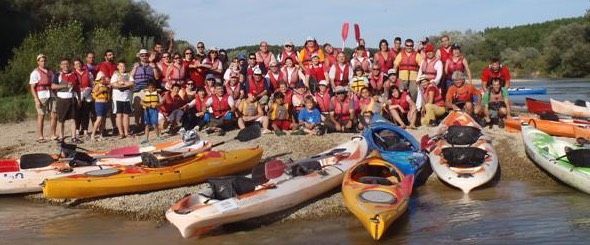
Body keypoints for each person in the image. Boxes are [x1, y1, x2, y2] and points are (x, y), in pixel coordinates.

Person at [29, 54, 57, 142]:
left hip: (51, 94)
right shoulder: (35, 72)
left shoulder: (50, 72)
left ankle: (53, 134)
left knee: (54, 114)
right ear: (38, 62)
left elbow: (53, 84)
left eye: (44, 60)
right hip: (41, 95)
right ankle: (40, 136)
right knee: (41, 115)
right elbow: (32, 88)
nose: (43, 62)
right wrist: (36, 99)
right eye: (41, 61)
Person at [52, 58, 81, 143]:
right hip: (62, 99)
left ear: (70, 65)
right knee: (61, 119)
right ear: (61, 66)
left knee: (73, 119)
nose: (65, 65)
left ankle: (73, 137)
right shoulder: (58, 75)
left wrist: (79, 98)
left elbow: (77, 88)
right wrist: (65, 86)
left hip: (72, 99)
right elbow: (53, 86)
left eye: (67, 64)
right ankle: (61, 137)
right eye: (63, 64)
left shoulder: (74, 74)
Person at [130, 49, 160, 130]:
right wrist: (134, 68)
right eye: (142, 55)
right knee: (137, 108)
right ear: (139, 57)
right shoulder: (136, 65)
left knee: (148, 107)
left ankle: (146, 124)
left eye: (146, 55)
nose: (144, 57)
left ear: (148, 56)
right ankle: (137, 124)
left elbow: (157, 77)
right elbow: (131, 77)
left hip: (148, 89)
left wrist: (154, 68)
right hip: (138, 89)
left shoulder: (152, 66)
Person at [111, 60, 135, 139]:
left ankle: (126, 132)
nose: (122, 68)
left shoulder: (128, 75)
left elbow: (131, 83)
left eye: (124, 66)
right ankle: (121, 133)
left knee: (126, 115)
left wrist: (121, 83)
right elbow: (113, 84)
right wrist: (124, 84)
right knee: (119, 115)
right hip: (117, 98)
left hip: (127, 98)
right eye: (121, 66)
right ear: (118, 67)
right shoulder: (115, 75)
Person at [73, 58, 94, 138]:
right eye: (76, 64)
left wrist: (90, 90)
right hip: (77, 95)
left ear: (82, 64)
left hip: (87, 94)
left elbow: (92, 84)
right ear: (74, 66)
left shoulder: (88, 73)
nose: (78, 65)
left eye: (79, 63)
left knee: (86, 113)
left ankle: (85, 130)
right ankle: (77, 130)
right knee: (77, 113)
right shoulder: (73, 74)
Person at [90, 69, 111, 141]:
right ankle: (93, 134)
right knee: (99, 119)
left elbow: (108, 94)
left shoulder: (105, 86)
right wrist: (100, 91)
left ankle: (101, 134)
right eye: (102, 78)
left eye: (104, 78)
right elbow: (93, 94)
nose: (103, 79)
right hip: (99, 103)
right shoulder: (97, 85)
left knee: (104, 119)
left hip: (105, 103)